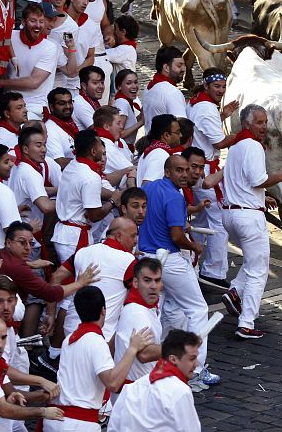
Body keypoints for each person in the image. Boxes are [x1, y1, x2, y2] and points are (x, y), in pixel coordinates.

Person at [216, 104, 282, 339]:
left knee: (253, 262)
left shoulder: (236, 147)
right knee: (259, 269)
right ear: (247, 124)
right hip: (248, 218)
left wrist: (263, 198)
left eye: (265, 122)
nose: (264, 127)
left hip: (231, 214)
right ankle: (246, 322)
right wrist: (281, 176)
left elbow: (243, 183)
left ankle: (234, 292)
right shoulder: (252, 146)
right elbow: (257, 179)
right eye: (260, 122)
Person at [139, 155, 219, 390]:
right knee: (197, 308)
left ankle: (159, 362)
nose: (184, 175)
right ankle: (195, 368)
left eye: (186, 170)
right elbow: (176, 236)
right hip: (170, 260)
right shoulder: (174, 196)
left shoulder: (150, 188)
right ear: (167, 172)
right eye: (179, 170)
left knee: (157, 311)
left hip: (146, 257)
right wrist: (194, 246)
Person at [43, 286, 151, 432]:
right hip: (78, 425)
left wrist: (117, 334)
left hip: (56, 420)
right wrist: (132, 349)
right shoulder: (96, 342)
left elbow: (96, 353)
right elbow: (112, 383)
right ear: (103, 311)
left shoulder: (69, 340)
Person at [0, 314, 65, 429]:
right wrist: (43, 412)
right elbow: (4, 410)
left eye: (3, 337)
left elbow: (9, 391)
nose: (0, 345)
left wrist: (39, 396)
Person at [187, 69, 238, 290]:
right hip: (206, 170)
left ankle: (192, 263)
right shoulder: (206, 108)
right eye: (217, 86)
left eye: (223, 87)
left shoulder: (199, 103)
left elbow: (203, 128)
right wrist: (244, 135)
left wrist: (223, 115)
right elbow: (218, 143)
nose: (221, 91)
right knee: (219, 219)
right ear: (206, 86)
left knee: (199, 220)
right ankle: (213, 272)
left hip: (200, 167)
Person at [60, 218, 138, 343]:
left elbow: (55, 277)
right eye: (133, 236)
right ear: (119, 236)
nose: (136, 241)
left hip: (71, 331)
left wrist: (50, 313)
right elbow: (137, 298)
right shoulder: (129, 261)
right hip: (102, 336)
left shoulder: (83, 252)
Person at [108, 329, 203, 431]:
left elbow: (114, 427)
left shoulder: (134, 387)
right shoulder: (180, 392)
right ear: (173, 359)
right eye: (192, 358)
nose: (197, 364)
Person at [52, 130, 119, 262]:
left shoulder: (74, 164)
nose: (103, 148)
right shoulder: (90, 176)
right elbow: (94, 216)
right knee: (76, 279)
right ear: (93, 152)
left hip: (65, 234)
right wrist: (113, 200)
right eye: (100, 145)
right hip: (74, 238)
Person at [0, 3, 72, 120]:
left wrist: (1, 82)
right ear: (23, 22)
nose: (38, 25)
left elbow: (33, 82)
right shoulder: (10, 37)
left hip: (35, 107)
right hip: (9, 103)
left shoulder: (50, 47)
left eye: (41, 21)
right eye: (33, 21)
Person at [113, 257, 163, 384]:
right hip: (135, 393)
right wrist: (178, 347)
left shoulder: (146, 308)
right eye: (147, 280)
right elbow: (144, 354)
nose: (153, 286)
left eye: (157, 281)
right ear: (135, 283)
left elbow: (113, 343)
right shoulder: (137, 313)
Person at [9, 126, 58, 228]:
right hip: (27, 232)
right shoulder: (29, 172)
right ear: (26, 149)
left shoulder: (20, 166)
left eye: (44, 145)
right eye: (38, 145)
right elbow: (46, 207)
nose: (44, 149)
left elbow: (38, 190)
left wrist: (62, 190)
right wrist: (71, 200)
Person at [80, 0, 114, 103]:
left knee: (103, 104)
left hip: (101, 57)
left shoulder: (102, 1)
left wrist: (109, 35)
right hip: (85, 60)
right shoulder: (77, 3)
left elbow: (105, 25)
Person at [142, 46, 187, 134]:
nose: (183, 69)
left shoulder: (148, 87)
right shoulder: (172, 92)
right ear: (166, 68)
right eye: (179, 65)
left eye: (184, 65)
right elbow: (182, 127)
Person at [65, 0, 96, 97]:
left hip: (79, 84)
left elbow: (91, 56)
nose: (85, 2)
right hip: (58, 82)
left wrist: (76, 70)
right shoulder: (58, 22)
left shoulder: (91, 25)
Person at [93, 106, 135, 188]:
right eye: (118, 123)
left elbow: (132, 161)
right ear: (106, 127)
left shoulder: (119, 141)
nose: (122, 126)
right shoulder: (105, 145)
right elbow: (131, 169)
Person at [136, 114, 182, 186]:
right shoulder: (160, 154)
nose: (181, 135)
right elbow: (147, 186)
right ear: (166, 135)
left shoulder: (154, 150)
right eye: (178, 132)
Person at [44, 87, 80, 168]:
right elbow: (59, 162)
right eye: (62, 103)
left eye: (70, 102)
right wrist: (85, 162)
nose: (68, 106)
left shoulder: (71, 123)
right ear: (52, 107)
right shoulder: (50, 129)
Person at [113, 69, 144, 150]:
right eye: (128, 83)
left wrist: (139, 117)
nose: (134, 86)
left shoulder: (125, 101)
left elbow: (127, 124)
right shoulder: (122, 103)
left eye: (135, 82)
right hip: (123, 148)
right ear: (119, 86)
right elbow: (119, 133)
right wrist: (141, 122)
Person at [106, 15, 139, 82]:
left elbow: (103, 54)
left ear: (123, 32)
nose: (113, 32)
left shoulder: (125, 50)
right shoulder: (127, 48)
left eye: (115, 28)